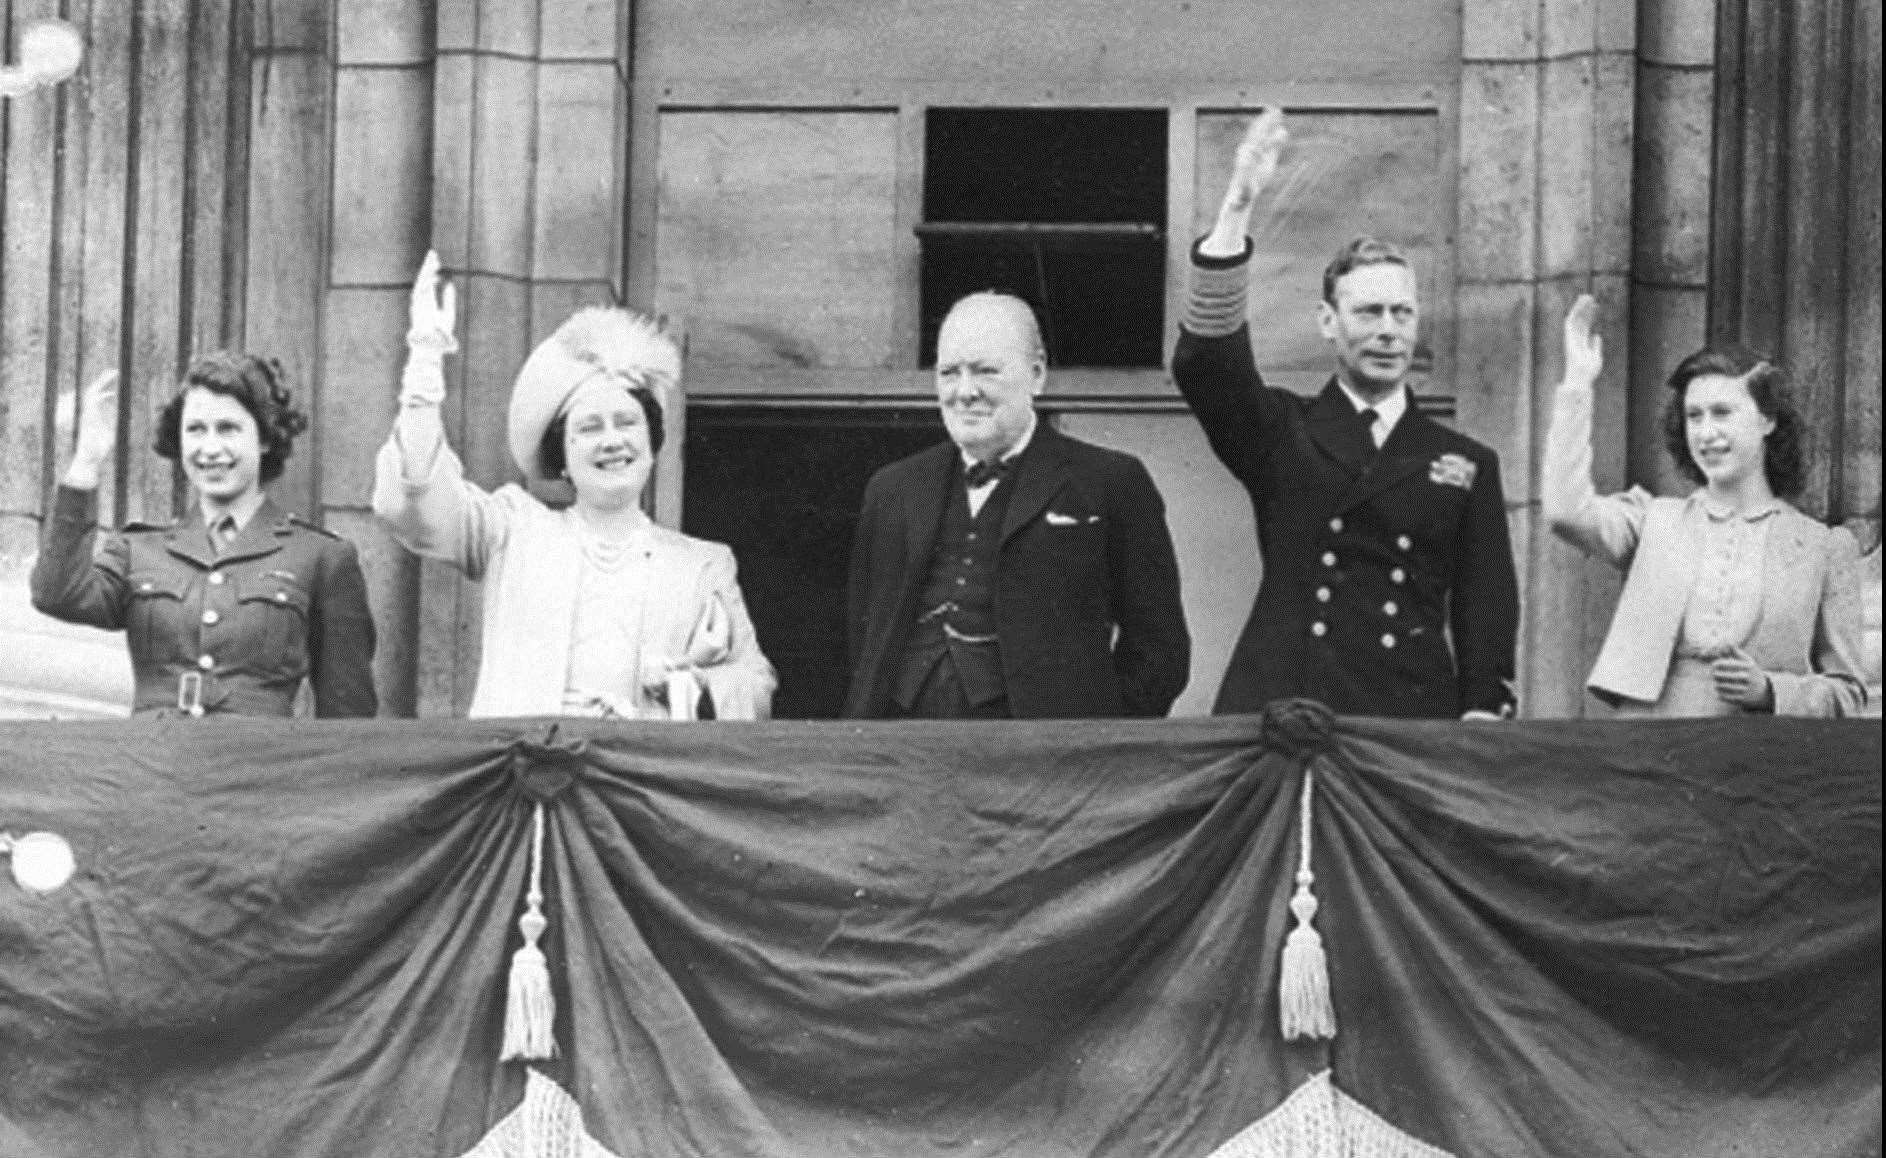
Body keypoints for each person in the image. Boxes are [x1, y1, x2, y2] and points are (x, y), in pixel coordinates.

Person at [1171, 109, 1519, 719]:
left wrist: (1483, 712)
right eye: (1368, 313)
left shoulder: (1464, 462)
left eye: (1401, 314)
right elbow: (1207, 368)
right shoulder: (1282, 432)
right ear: (1329, 323)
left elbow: (1485, 604)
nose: (1388, 332)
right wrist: (1237, 207)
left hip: (1408, 712)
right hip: (1287, 703)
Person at [372, 252, 775, 720]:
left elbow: (755, 684)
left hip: (639, 782)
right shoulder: (512, 529)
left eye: (626, 423)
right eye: (589, 428)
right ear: (562, 455)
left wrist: (693, 685)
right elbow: (417, 505)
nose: (611, 442)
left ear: (651, 443)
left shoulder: (703, 565)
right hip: (529, 777)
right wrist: (423, 371)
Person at [844, 291, 1190, 719]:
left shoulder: (1109, 481)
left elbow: (1159, 651)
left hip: (1040, 764)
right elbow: (864, 635)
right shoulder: (892, 488)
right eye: (949, 373)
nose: (964, 392)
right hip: (905, 749)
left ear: (1037, 374)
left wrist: (1095, 748)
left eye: (985, 371)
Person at [1543, 294, 1866, 717]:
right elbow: (1565, 511)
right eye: (1695, 416)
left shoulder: (1822, 547)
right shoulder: (1653, 520)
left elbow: (1850, 695)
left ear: (1767, 420)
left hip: (1757, 762)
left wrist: (1772, 691)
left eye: (1722, 413)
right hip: (1647, 747)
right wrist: (1578, 383)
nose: (1706, 432)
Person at [30, 356, 378, 718]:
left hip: (255, 769)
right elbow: (56, 594)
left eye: (227, 429)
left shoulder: (320, 556)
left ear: (264, 438)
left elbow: (348, 717)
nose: (210, 449)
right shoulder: (140, 549)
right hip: (153, 765)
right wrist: (86, 461)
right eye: (196, 430)